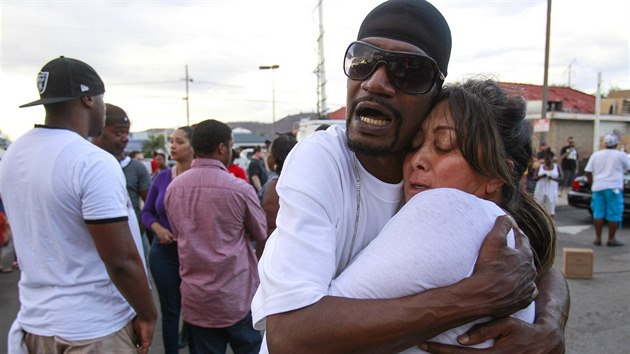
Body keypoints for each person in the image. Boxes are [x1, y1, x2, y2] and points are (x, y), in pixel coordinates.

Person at [252, 1, 569, 353]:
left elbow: (537, 254)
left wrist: (550, 323)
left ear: (432, 95)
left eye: (409, 70)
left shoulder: (446, 193)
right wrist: (471, 299)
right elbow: (290, 336)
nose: (375, 82)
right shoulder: (324, 158)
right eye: (362, 61)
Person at [329, 78, 556, 351]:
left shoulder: (446, 209)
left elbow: (301, 337)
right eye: (414, 144)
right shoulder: (502, 232)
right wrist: (553, 315)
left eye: (444, 145)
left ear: (497, 175)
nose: (417, 160)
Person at [0, 56, 156, 354]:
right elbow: (121, 260)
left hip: (36, 324)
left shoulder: (14, 154)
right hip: (94, 329)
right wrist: (148, 312)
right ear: (87, 99)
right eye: (101, 99)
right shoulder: (91, 160)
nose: (102, 108)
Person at [165, 119, 267, 354]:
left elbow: (179, 231)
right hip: (237, 294)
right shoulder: (240, 189)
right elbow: (260, 231)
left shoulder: (174, 188)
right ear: (222, 148)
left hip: (197, 299)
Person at [141, 126, 194, 354]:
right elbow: (147, 212)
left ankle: (191, 341)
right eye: (172, 141)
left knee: (194, 309)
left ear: (194, 147)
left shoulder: (201, 178)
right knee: (171, 310)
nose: (172, 145)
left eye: (179, 141)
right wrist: (158, 229)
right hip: (164, 253)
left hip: (194, 254)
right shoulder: (162, 177)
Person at [92, 104, 152, 231]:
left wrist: (139, 229)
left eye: (127, 133)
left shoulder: (137, 168)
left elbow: (150, 206)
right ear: (98, 131)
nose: (125, 138)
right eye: (118, 132)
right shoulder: (87, 167)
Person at [584, 133, 630, 247]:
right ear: (616, 144)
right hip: (614, 188)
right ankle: (611, 239)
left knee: (598, 213)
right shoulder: (621, 155)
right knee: (613, 214)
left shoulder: (596, 155)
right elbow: (628, 168)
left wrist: (592, 184)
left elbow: (588, 171)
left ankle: (598, 238)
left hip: (598, 187)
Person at [260, 134, 298, 235]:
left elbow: (270, 222)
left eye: (269, 153)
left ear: (275, 157)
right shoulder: (302, 182)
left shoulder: (274, 185)